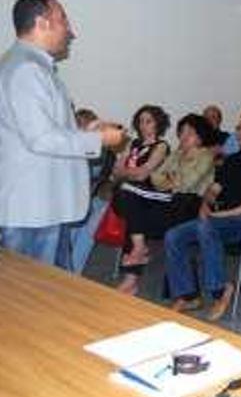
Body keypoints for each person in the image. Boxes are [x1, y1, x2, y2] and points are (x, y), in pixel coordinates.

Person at [0, 0, 124, 268]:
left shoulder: (26, 66)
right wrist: (99, 139)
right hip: (32, 210)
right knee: (33, 300)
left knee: (45, 295)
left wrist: (90, 128)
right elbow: (41, 139)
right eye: (63, 20)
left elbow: (42, 130)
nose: (70, 31)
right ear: (42, 23)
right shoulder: (26, 70)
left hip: (40, 207)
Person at [164, 114, 241, 320]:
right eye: (239, 128)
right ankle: (189, 294)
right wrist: (205, 204)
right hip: (221, 219)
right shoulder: (232, 160)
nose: (240, 133)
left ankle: (220, 290)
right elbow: (214, 189)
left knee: (205, 227)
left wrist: (224, 214)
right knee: (173, 235)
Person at [114, 114, 215, 295]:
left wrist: (170, 179)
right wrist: (171, 180)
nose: (183, 136)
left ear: (200, 137)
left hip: (189, 206)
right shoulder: (176, 154)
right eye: (181, 132)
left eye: (189, 133)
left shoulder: (205, 156)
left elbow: (187, 184)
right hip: (169, 201)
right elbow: (156, 177)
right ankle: (135, 262)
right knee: (132, 207)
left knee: (131, 200)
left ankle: (133, 272)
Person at [110, 105, 172, 280]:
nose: (143, 125)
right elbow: (116, 171)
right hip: (130, 195)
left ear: (158, 124)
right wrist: (128, 173)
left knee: (127, 194)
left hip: (153, 196)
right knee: (127, 198)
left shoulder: (161, 146)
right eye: (140, 122)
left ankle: (136, 257)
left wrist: (126, 173)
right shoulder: (133, 143)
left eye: (148, 121)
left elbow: (144, 173)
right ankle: (138, 253)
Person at [68, 108, 117, 273]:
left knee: (91, 225)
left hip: (94, 198)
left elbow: (108, 179)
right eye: (80, 126)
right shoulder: (70, 150)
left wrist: (108, 187)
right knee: (74, 225)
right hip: (72, 198)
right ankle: (66, 269)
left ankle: (74, 270)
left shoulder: (108, 154)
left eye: (87, 126)